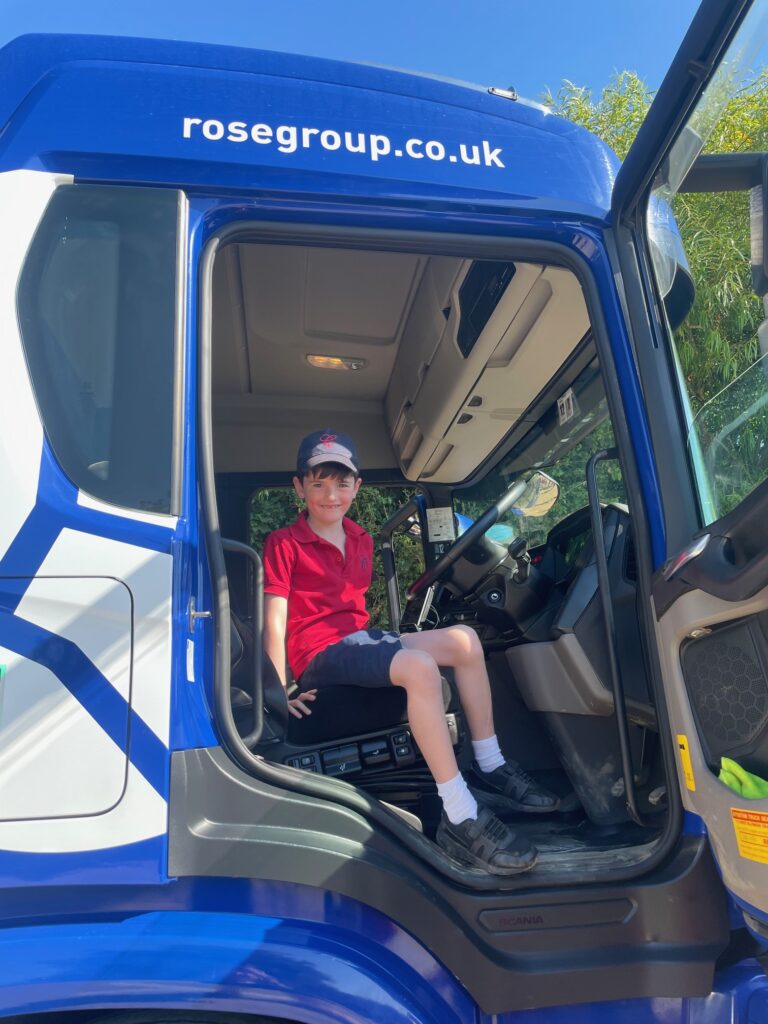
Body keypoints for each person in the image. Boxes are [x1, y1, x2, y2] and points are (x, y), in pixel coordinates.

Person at [263, 429, 559, 875]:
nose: (330, 495)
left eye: (341, 483)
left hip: (358, 640)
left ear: (356, 488)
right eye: (319, 483)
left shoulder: (361, 540)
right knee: (420, 668)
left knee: (465, 641)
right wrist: (277, 692)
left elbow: (358, 624)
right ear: (299, 487)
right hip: (320, 655)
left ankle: (489, 762)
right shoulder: (284, 544)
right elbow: (274, 621)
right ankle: (459, 813)